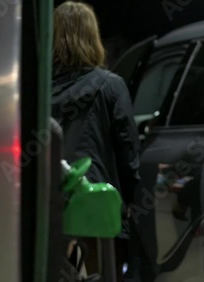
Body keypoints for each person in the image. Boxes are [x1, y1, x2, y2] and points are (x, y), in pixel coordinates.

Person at [51, 1, 140, 279]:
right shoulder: (111, 86)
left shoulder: (38, 91)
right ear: (93, 37)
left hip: (51, 208)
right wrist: (128, 204)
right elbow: (128, 151)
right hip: (98, 208)